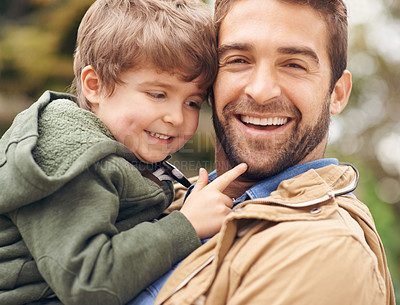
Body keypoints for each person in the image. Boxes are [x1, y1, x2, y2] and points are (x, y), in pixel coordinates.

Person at [0, 0, 248, 304]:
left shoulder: (122, 154)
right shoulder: (75, 161)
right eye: (158, 94)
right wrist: (187, 225)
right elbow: (88, 284)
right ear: (96, 86)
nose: (177, 117)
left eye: (192, 102)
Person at [151, 0, 396, 304]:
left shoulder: (323, 252)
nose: (261, 90)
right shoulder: (158, 201)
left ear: (337, 93)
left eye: (294, 65)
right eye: (239, 60)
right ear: (209, 81)